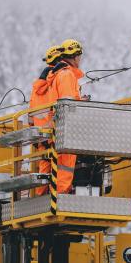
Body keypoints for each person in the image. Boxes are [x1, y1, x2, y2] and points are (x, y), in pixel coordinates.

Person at [45, 38, 85, 194]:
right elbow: (67, 103)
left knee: (60, 165)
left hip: (58, 127)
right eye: (79, 56)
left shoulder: (59, 74)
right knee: (65, 166)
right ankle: (61, 194)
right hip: (65, 129)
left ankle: (59, 192)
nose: (80, 60)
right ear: (75, 56)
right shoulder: (67, 75)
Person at [30, 45, 62, 195]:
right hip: (52, 131)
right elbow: (58, 104)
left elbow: (31, 113)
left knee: (44, 168)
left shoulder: (37, 86)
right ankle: (54, 194)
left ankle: (40, 195)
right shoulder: (54, 79)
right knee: (58, 166)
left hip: (40, 134)